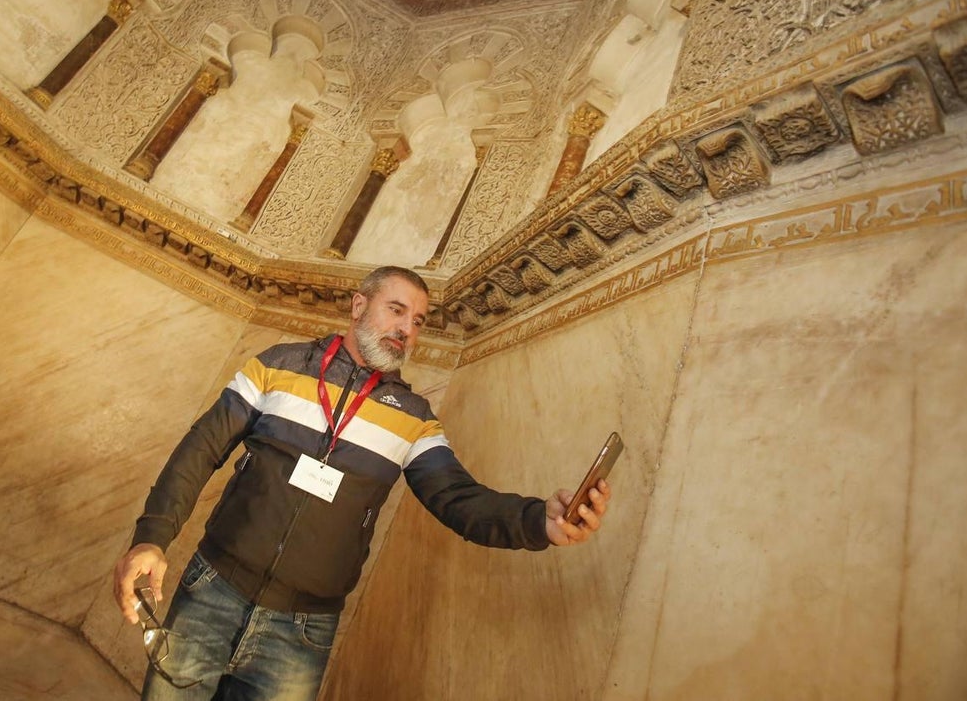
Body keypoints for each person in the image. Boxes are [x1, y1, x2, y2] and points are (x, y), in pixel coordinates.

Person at [112, 265, 611, 700]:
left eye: (417, 321)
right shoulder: (276, 366)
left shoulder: (414, 419)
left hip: (301, 632)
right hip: (212, 592)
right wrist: (152, 538)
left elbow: (459, 499)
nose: (406, 330)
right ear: (358, 306)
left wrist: (536, 521)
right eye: (396, 310)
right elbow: (200, 449)